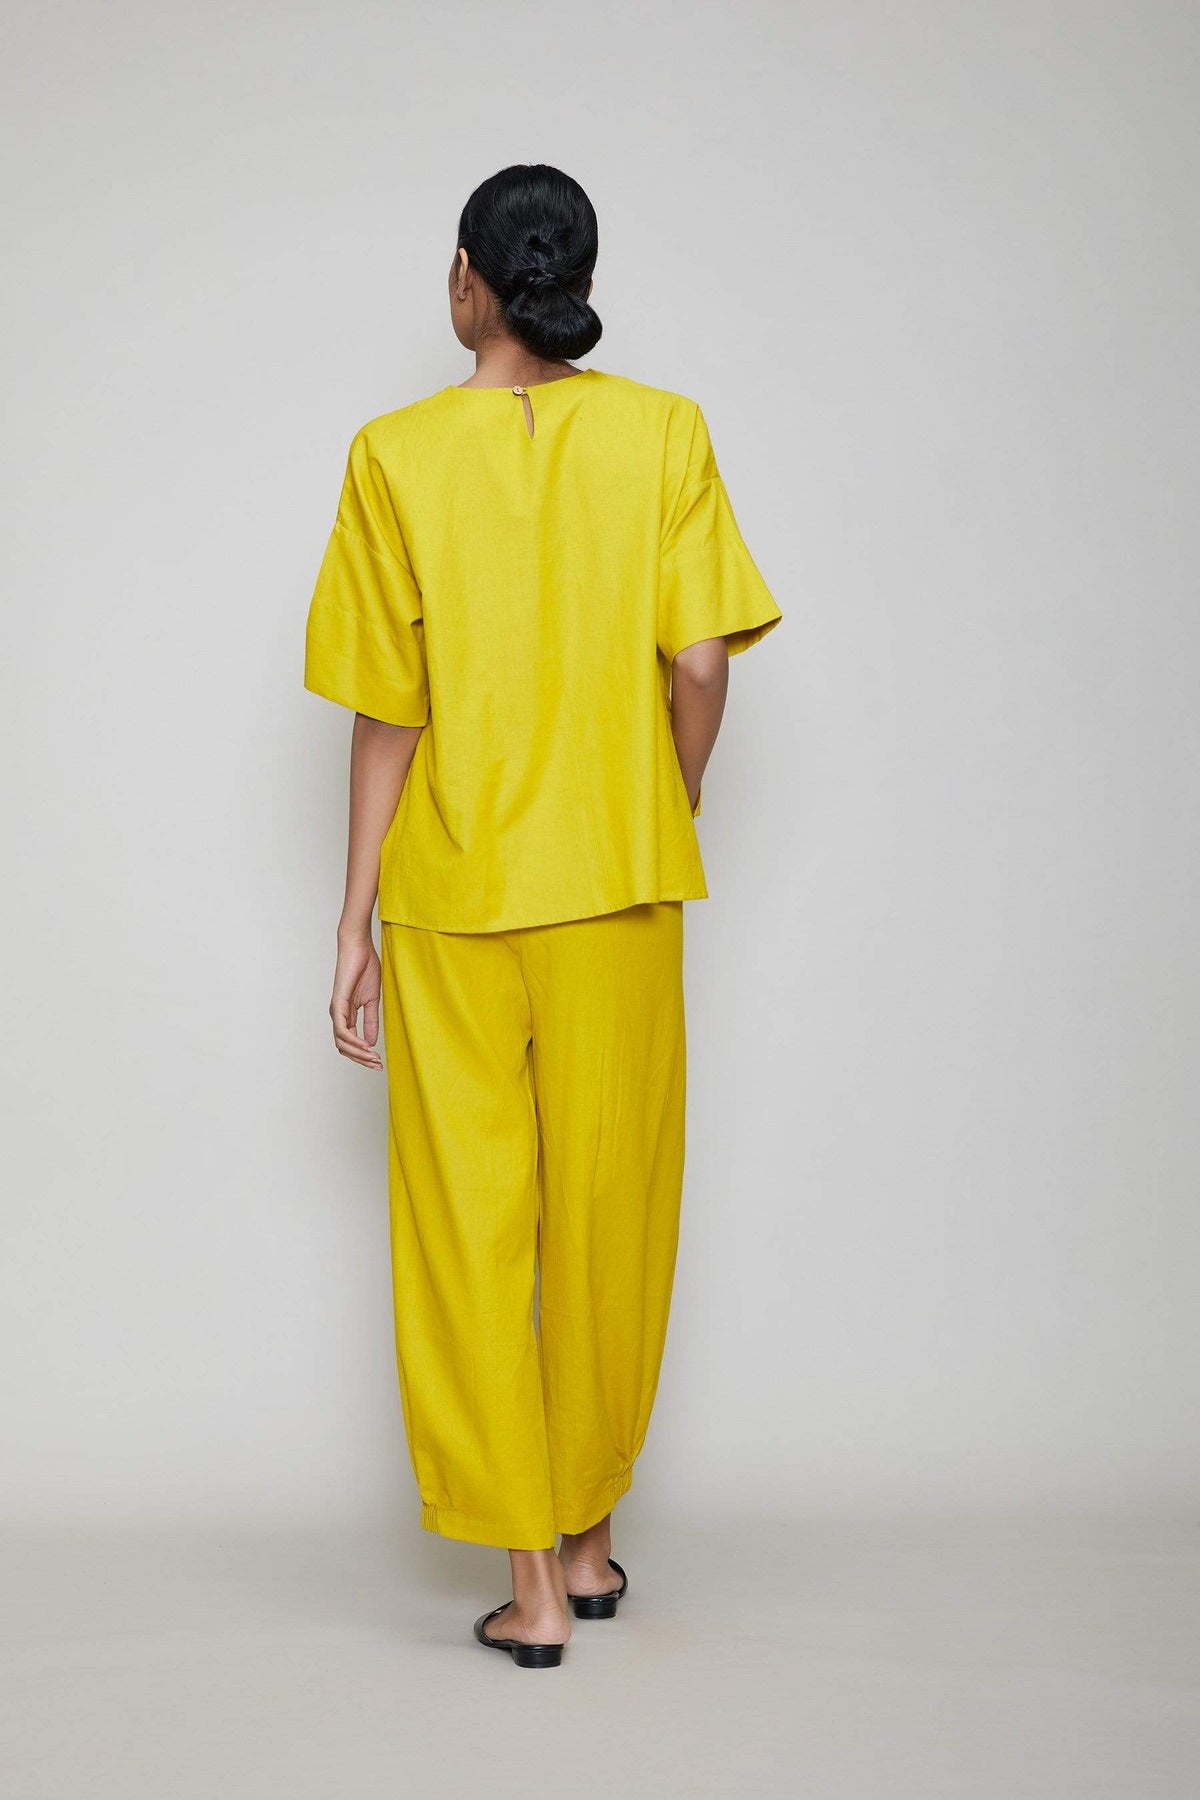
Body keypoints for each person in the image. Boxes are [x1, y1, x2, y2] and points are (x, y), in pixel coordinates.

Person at [303, 163, 782, 1668]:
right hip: (620, 882)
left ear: (467, 280)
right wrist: (669, 792)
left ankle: (530, 1585)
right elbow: (699, 661)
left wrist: (352, 918)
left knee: (470, 1222)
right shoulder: (665, 432)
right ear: (575, 278)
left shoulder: (393, 455)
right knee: (609, 1208)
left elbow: (388, 711)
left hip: (455, 896)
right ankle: (589, 1540)